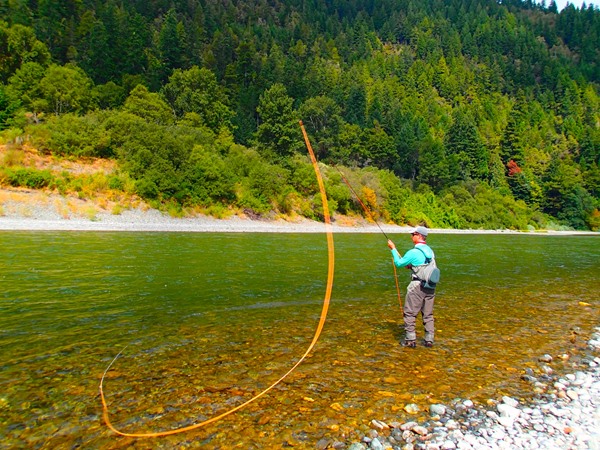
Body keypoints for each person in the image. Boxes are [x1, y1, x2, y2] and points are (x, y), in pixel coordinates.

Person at [387, 226, 437, 348]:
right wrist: (412, 266)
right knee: (428, 314)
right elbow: (424, 265)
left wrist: (393, 249)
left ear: (419, 236)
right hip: (430, 286)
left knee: (409, 313)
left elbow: (398, 263)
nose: (411, 236)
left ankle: (410, 340)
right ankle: (429, 340)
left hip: (417, 286)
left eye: (413, 234)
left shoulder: (413, 252)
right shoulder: (430, 251)